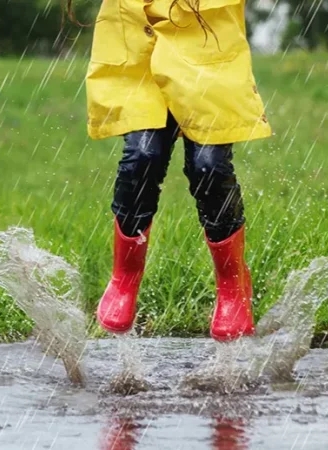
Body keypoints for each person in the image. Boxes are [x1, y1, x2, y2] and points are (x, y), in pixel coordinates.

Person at [64, 0, 272, 342]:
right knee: (143, 156)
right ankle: (124, 276)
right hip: (137, 52)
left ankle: (233, 284)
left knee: (209, 167)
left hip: (207, 55)